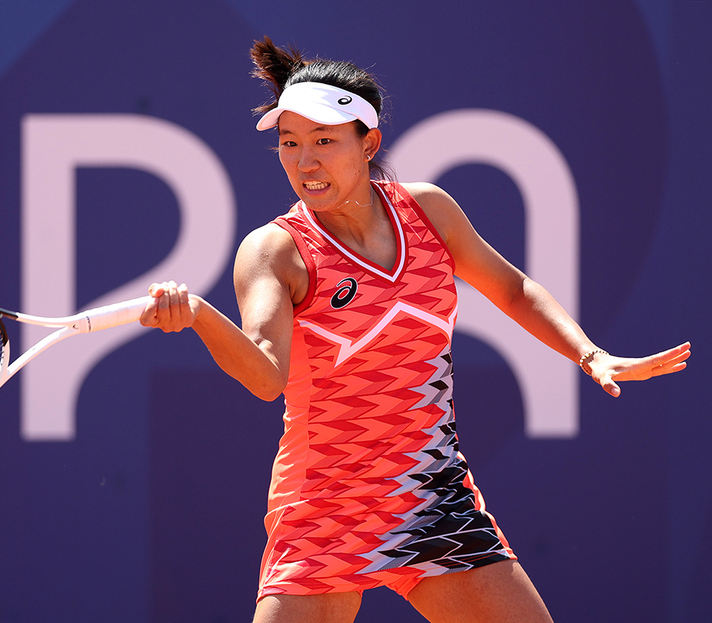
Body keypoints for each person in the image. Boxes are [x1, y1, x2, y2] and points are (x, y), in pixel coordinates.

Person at [139, 37, 691, 623]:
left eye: (325, 141)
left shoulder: (430, 212)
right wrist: (198, 316)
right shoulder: (274, 251)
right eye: (289, 144)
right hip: (325, 506)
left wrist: (589, 354)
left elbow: (513, 289)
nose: (305, 163)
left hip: (433, 495)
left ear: (368, 142)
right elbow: (266, 374)